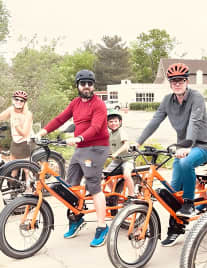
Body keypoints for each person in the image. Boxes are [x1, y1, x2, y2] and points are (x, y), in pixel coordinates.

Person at [135, 62, 207, 246]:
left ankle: (189, 203)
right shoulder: (167, 101)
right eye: (174, 81)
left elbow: (194, 121)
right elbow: (155, 121)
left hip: (201, 146)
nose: (177, 83)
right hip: (182, 148)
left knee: (186, 164)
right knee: (172, 191)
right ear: (169, 83)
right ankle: (175, 228)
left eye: (181, 80)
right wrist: (139, 141)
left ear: (186, 81)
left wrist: (187, 145)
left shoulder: (196, 97)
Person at [37, 70, 110, 247]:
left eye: (90, 83)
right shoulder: (75, 103)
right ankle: (76, 219)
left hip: (96, 147)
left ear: (93, 86)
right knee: (70, 187)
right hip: (81, 148)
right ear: (77, 85)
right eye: (83, 83)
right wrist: (43, 131)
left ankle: (102, 226)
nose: (86, 86)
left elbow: (96, 126)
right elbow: (60, 118)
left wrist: (79, 138)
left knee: (93, 186)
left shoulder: (98, 104)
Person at [0, 91, 33, 189]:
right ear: (13, 100)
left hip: (26, 142)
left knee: (26, 169)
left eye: (21, 100)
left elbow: (24, 133)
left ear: (24, 103)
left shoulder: (28, 114)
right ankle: (13, 189)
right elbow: (1, 117)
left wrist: (17, 125)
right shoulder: (11, 110)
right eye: (16, 99)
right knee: (12, 168)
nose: (18, 102)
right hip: (15, 142)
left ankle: (29, 191)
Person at [105, 110, 135, 204]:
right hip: (117, 161)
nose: (113, 123)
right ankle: (115, 193)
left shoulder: (121, 132)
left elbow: (126, 145)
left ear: (120, 122)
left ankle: (132, 195)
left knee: (126, 174)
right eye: (110, 121)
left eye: (115, 121)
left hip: (127, 160)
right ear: (107, 123)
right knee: (106, 175)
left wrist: (116, 153)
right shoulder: (110, 134)